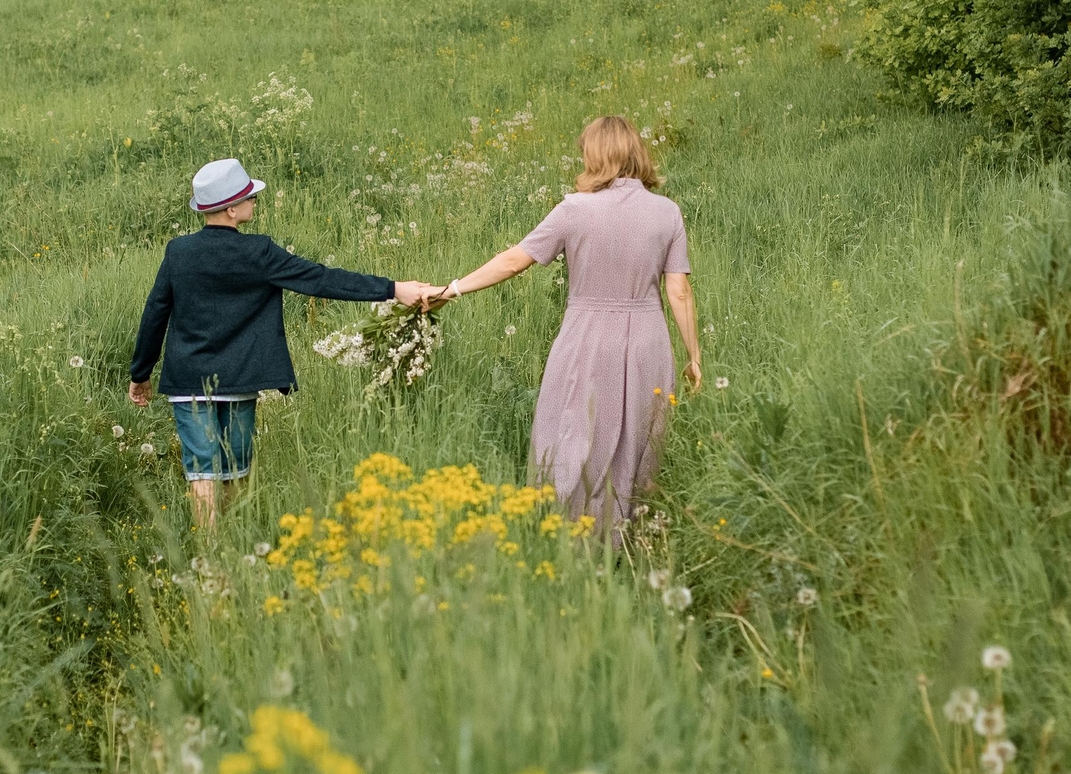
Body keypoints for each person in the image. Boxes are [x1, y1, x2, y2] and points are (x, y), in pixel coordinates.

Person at [130, 157, 443, 528]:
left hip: (188, 382)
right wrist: (393, 289)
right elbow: (321, 279)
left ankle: (209, 552)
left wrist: (141, 373)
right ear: (231, 209)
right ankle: (230, 541)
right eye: (249, 197)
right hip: (240, 379)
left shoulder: (178, 252)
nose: (254, 202)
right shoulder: (259, 252)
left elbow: (155, 313)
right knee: (235, 467)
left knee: (202, 470)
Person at [434, 115, 701, 541]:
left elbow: (512, 261)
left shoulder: (573, 209)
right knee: (639, 438)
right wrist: (694, 357)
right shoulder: (667, 212)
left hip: (587, 337)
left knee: (574, 430)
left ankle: (564, 535)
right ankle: (631, 538)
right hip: (648, 338)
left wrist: (454, 289)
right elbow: (680, 292)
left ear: (595, 155)